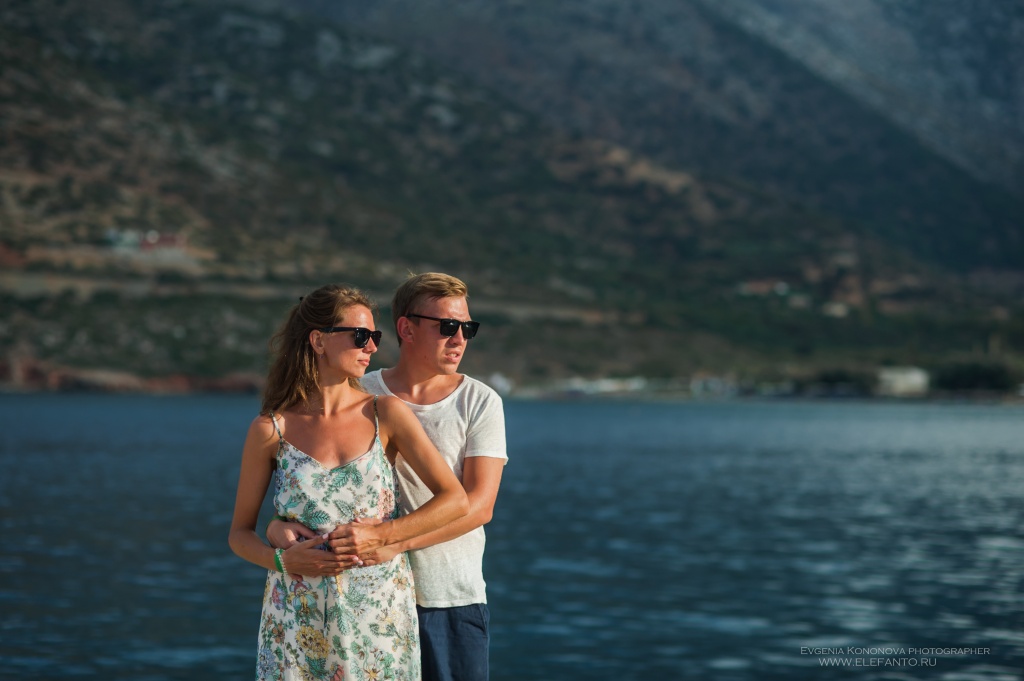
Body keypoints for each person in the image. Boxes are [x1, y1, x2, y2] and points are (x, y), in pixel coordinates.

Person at [269, 273, 507, 681]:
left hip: (448, 596)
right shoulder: (361, 392)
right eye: (447, 327)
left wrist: (391, 541)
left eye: (468, 328)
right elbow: (317, 486)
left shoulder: (480, 401)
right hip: (361, 597)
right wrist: (277, 527)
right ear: (406, 329)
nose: (459, 339)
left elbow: (479, 507)